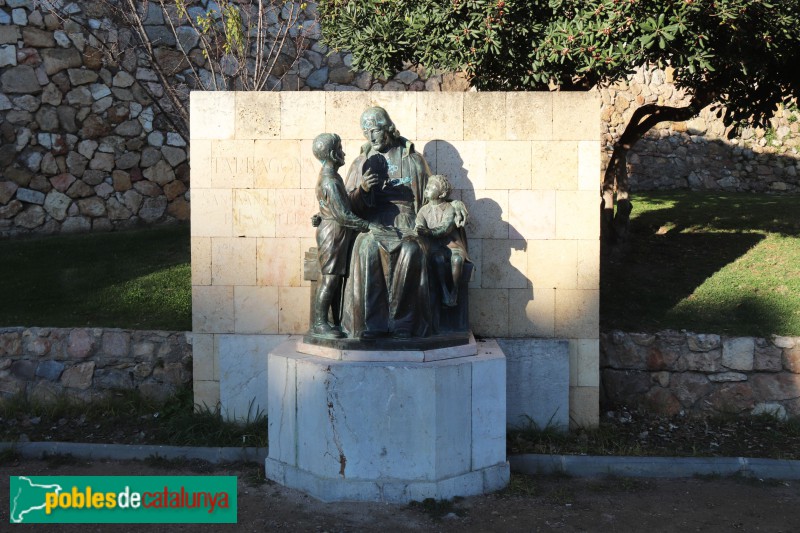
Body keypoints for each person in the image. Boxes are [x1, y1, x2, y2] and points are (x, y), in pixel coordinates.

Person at [309, 133, 380, 338]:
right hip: (333, 234)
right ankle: (320, 324)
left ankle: (332, 321)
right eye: (340, 149)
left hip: (335, 232)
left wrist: (362, 190)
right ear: (333, 154)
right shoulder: (330, 180)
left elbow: (335, 205)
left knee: (335, 279)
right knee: (329, 279)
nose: (344, 153)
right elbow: (344, 215)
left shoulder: (331, 176)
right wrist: (369, 225)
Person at [415, 175, 470, 308]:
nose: (427, 188)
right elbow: (418, 225)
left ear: (442, 194)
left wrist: (428, 232)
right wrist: (420, 229)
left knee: (457, 260)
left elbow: (446, 227)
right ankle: (445, 292)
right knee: (437, 260)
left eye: (432, 186)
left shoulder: (449, 208)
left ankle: (454, 291)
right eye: (427, 185)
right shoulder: (423, 210)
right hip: (434, 247)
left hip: (452, 245)